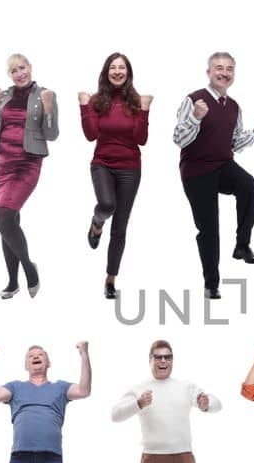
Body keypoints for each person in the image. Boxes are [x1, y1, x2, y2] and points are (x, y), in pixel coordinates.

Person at [173, 51, 254, 300]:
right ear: (209, 72)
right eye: (219, 68)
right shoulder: (193, 100)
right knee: (209, 228)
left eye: (229, 69)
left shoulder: (234, 106)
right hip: (196, 170)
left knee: (248, 185)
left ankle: (242, 245)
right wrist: (195, 117)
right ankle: (211, 283)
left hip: (223, 165)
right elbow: (178, 139)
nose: (224, 73)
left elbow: (235, 143)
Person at [0, 54, 59, 299]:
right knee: (8, 221)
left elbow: (52, 133)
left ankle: (30, 270)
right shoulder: (4, 95)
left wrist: (48, 108)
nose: (19, 73)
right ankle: (13, 281)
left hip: (26, 164)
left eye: (22, 68)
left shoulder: (45, 94)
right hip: (1, 163)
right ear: (10, 75)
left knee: (3, 215)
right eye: (14, 71)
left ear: (30, 68)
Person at [81, 53, 153, 300]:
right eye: (113, 67)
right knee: (107, 205)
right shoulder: (96, 101)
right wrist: (83, 106)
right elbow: (90, 135)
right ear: (106, 72)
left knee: (120, 227)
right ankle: (97, 222)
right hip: (102, 163)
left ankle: (110, 279)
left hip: (130, 168)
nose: (118, 72)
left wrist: (144, 110)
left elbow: (141, 139)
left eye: (122, 68)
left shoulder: (135, 102)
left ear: (128, 72)